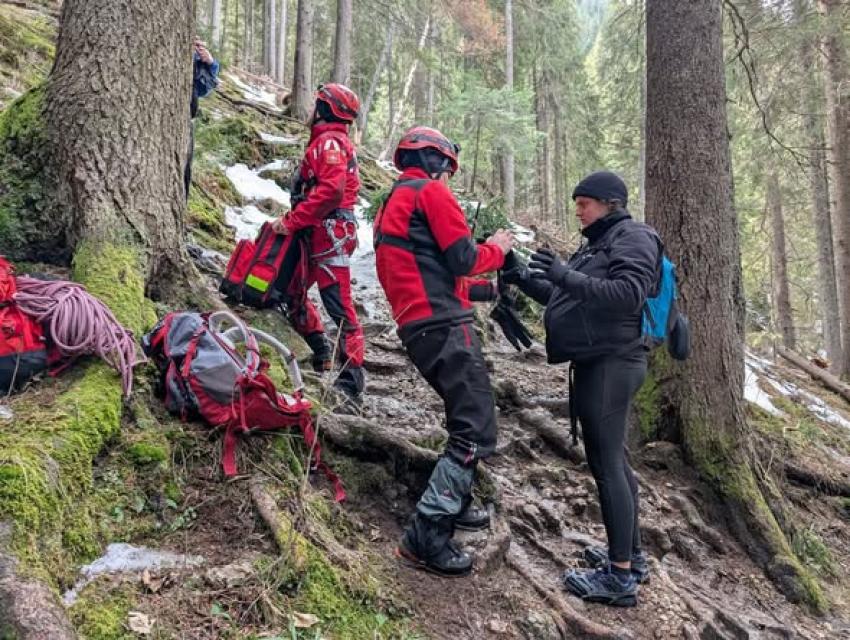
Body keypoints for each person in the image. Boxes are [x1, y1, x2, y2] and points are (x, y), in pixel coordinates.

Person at [502, 171, 660, 607]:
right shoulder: (599, 245)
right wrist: (520, 275)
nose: (578, 211)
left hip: (615, 362)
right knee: (615, 463)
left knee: (607, 465)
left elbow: (627, 294)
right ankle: (632, 556)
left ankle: (620, 578)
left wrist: (565, 275)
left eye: (584, 203)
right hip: (599, 362)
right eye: (576, 203)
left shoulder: (634, 238)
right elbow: (568, 297)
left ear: (610, 203)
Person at [373, 125, 514, 576]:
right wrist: (499, 249)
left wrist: (489, 291)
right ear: (436, 162)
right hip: (443, 327)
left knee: (464, 417)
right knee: (474, 430)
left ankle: (455, 503)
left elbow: (432, 270)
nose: (448, 179)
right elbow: (463, 258)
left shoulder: (394, 203)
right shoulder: (430, 194)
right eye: (447, 169)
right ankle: (427, 538)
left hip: (422, 326)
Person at [271, 84, 365, 406]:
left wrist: (292, 221)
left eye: (317, 104)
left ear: (325, 108)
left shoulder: (330, 143)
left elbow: (331, 192)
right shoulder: (328, 142)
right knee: (293, 289)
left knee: (338, 305)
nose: (311, 109)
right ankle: (320, 350)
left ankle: (352, 381)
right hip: (318, 231)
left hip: (329, 232)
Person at [185, 38, 220, 200]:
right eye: (196, 43)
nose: (198, 47)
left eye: (200, 44)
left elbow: (205, 88)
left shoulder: (196, 60)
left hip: (186, 121)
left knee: (185, 171)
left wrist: (210, 63)